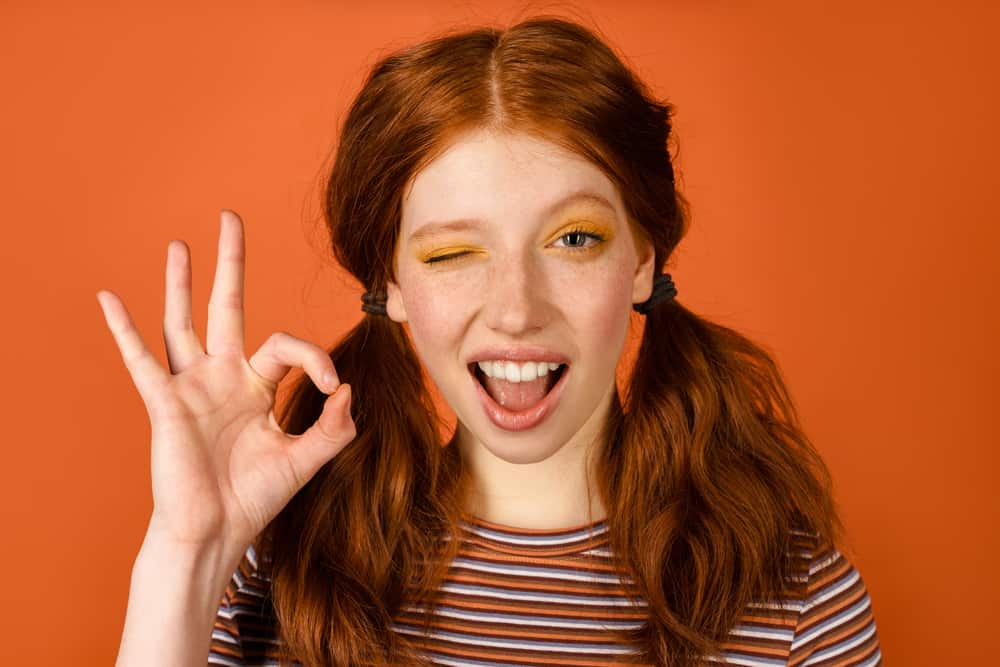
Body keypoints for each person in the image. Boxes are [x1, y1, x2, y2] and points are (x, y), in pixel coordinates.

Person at [103, 16, 882, 667]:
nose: (516, 310)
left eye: (574, 239)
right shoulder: (273, 574)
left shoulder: (797, 607)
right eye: (451, 252)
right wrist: (184, 551)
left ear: (642, 261)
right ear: (394, 286)